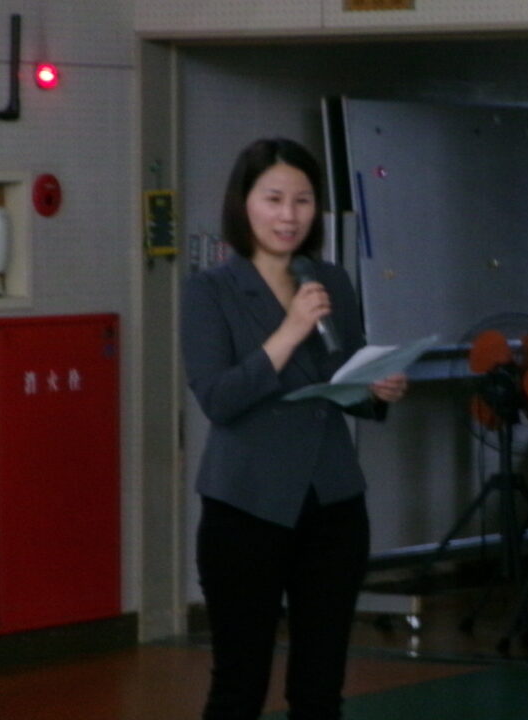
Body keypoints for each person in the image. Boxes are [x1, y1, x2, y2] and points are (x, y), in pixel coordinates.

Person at [180, 137, 408, 720]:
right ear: (244, 203)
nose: (289, 215)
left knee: (320, 689)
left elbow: (342, 375)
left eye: (303, 201)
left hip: (332, 503)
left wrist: (375, 388)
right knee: (239, 686)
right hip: (245, 505)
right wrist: (289, 331)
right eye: (274, 199)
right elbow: (219, 399)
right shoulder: (210, 290)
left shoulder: (329, 279)